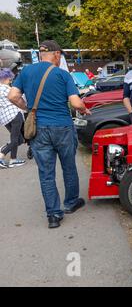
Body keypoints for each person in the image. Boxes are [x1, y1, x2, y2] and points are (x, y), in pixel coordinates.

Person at [8, 40, 91, 229]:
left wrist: (29, 108)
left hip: (39, 129)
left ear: (40, 54)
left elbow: (12, 96)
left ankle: (53, 216)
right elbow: (76, 103)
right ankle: (70, 203)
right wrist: (85, 110)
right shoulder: (63, 75)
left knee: (46, 173)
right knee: (69, 167)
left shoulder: (26, 72)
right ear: (56, 54)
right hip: (62, 127)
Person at [0, 68, 26, 168]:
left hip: (5, 118)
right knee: (16, 139)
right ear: (6, 78)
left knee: (18, 139)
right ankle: (2, 155)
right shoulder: (7, 88)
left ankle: (13, 159)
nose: (10, 81)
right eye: (10, 79)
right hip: (14, 115)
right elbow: (19, 98)